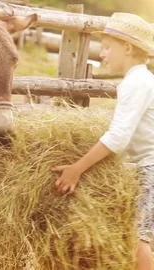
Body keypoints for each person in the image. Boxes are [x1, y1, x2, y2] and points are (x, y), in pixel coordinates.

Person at [51, 12, 154, 270]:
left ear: (128, 48)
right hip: (145, 166)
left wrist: (77, 168)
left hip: (151, 169)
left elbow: (119, 136)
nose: (102, 54)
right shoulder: (142, 80)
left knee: (136, 239)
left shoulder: (137, 83)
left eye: (107, 47)